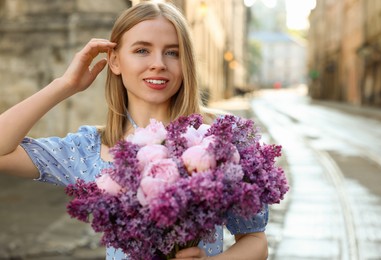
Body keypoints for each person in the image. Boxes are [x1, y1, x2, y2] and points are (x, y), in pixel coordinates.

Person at [0, 1, 269, 259]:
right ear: (115, 61)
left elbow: (255, 241)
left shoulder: (221, 140)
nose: (159, 63)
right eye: (142, 50)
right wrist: (65, 85)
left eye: (172, 52)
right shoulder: (90, 149)